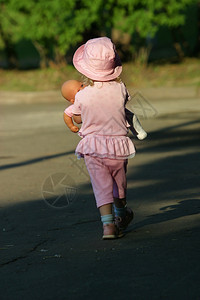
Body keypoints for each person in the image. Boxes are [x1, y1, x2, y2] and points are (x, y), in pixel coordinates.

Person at [71, 37, 142, 240]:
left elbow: (77, 117)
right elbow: (122, 105)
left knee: (100, 185)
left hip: (93, 147)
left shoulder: (82, 95)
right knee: (118, 185)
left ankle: (108, 226)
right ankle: (122, 213)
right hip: (118, 147)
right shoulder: (120, 89)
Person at [62, 80, 147, 139]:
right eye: (78, 90)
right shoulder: (73, 107)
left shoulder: (92, 92)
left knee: (128, 114)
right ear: (72, 100)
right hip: (97, 129)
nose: (83, 88)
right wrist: (71, 126)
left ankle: (137, 130)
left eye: (82, 85)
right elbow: (66, 115)